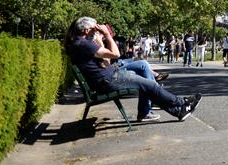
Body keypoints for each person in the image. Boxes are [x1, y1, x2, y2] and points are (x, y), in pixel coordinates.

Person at [66, 17, 200, 122]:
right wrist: (107, 35)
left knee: (147, 83)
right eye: (94, 29)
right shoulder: (83, 44)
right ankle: (182, 103)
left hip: (108, 77)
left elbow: (106, 63)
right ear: (85, 30)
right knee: (150, 85)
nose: (96, 31)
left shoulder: (81, 43)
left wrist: (100, 41)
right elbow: (116, 55)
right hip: (109, 80)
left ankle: (178, 111)